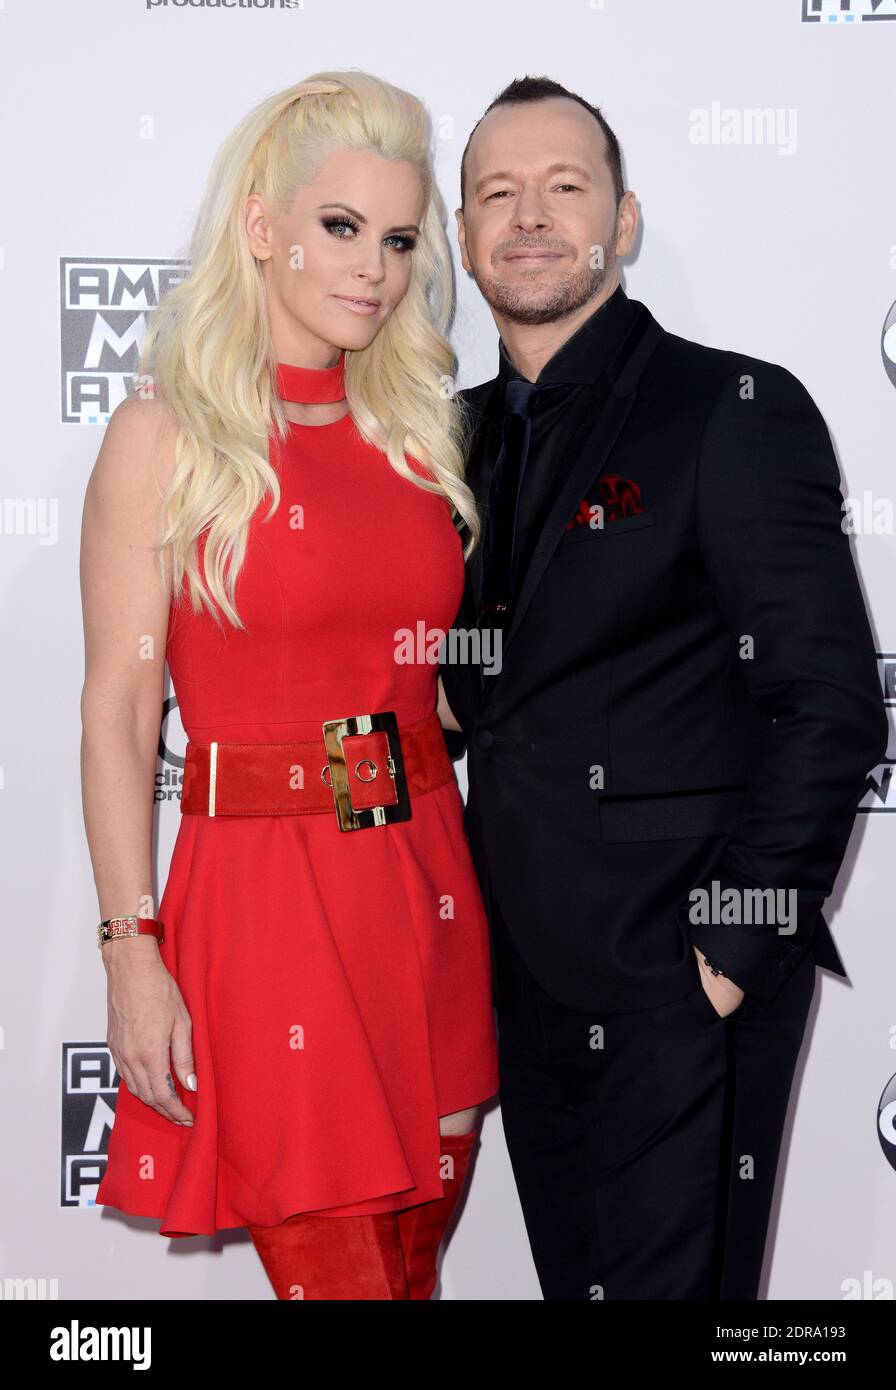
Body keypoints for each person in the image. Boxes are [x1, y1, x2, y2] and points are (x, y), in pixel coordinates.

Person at [440, 75, 888, 1300]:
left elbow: (831, 701)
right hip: (518, 979)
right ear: (465, 236)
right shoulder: (447, 439)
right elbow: (464, 693)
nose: (527, 215)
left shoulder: (728, 407)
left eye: (563, 187)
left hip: (678, 974)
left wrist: (727, 950)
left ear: (621, 223)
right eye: (496, 192)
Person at [81, 70, 498, 1301]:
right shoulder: (164, 434)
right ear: (262, 227)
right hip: (265, 908)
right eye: (340, 227)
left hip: (424, 888)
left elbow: (436, 675)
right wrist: (129, 951)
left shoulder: (417, 432)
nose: (374, 267)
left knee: (410, 1273)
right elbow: (117, 711)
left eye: (399, 239)